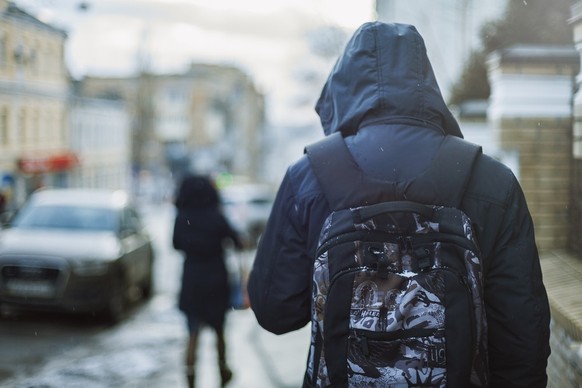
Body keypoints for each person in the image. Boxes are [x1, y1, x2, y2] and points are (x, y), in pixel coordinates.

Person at [247, 21, 551, 387]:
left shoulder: (309, 177)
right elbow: (522, 334)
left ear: (343, 87)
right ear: (426, 84)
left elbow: (275, 311)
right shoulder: (491, 180)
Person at [172, 174, 243, 388]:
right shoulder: (216, 215)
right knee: (219, 330)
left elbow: (175, 244)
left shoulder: (182, 216)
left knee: (192, 331)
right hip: (216, 279)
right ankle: (222, 371)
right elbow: (237, 241)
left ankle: (191, 377)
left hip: (192, 279)